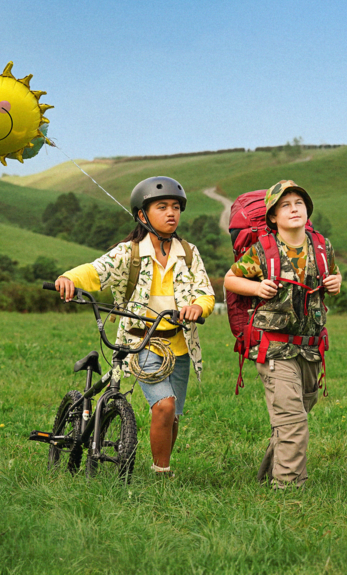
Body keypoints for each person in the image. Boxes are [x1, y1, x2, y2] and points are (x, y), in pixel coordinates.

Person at [55, 176, 215, 476]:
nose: (171, 213)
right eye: (162, 207)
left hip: (179, 345)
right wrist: (68, 278)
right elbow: (95, 271)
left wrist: (198, 306)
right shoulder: (128, 253)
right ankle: (162, 474)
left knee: (172, 414)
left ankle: (162, 466)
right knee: (164, 406)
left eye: (176, 207)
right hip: (141, 342)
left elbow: (205, 293)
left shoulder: (188, 253)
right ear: (143, 214)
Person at [224, 180, 342, 488]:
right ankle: (288, 490)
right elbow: (230, 279)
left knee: (294, 417)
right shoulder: (263, 250)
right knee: (293, 422)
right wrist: (256, 287)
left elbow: (334, 274)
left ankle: (266, 477)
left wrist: (337, 283)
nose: (294, 209)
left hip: (311, 349)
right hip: (274, 348)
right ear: (273, 217)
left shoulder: (322, 246)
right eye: (285, 205)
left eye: (299, 203)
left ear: (307, 211)